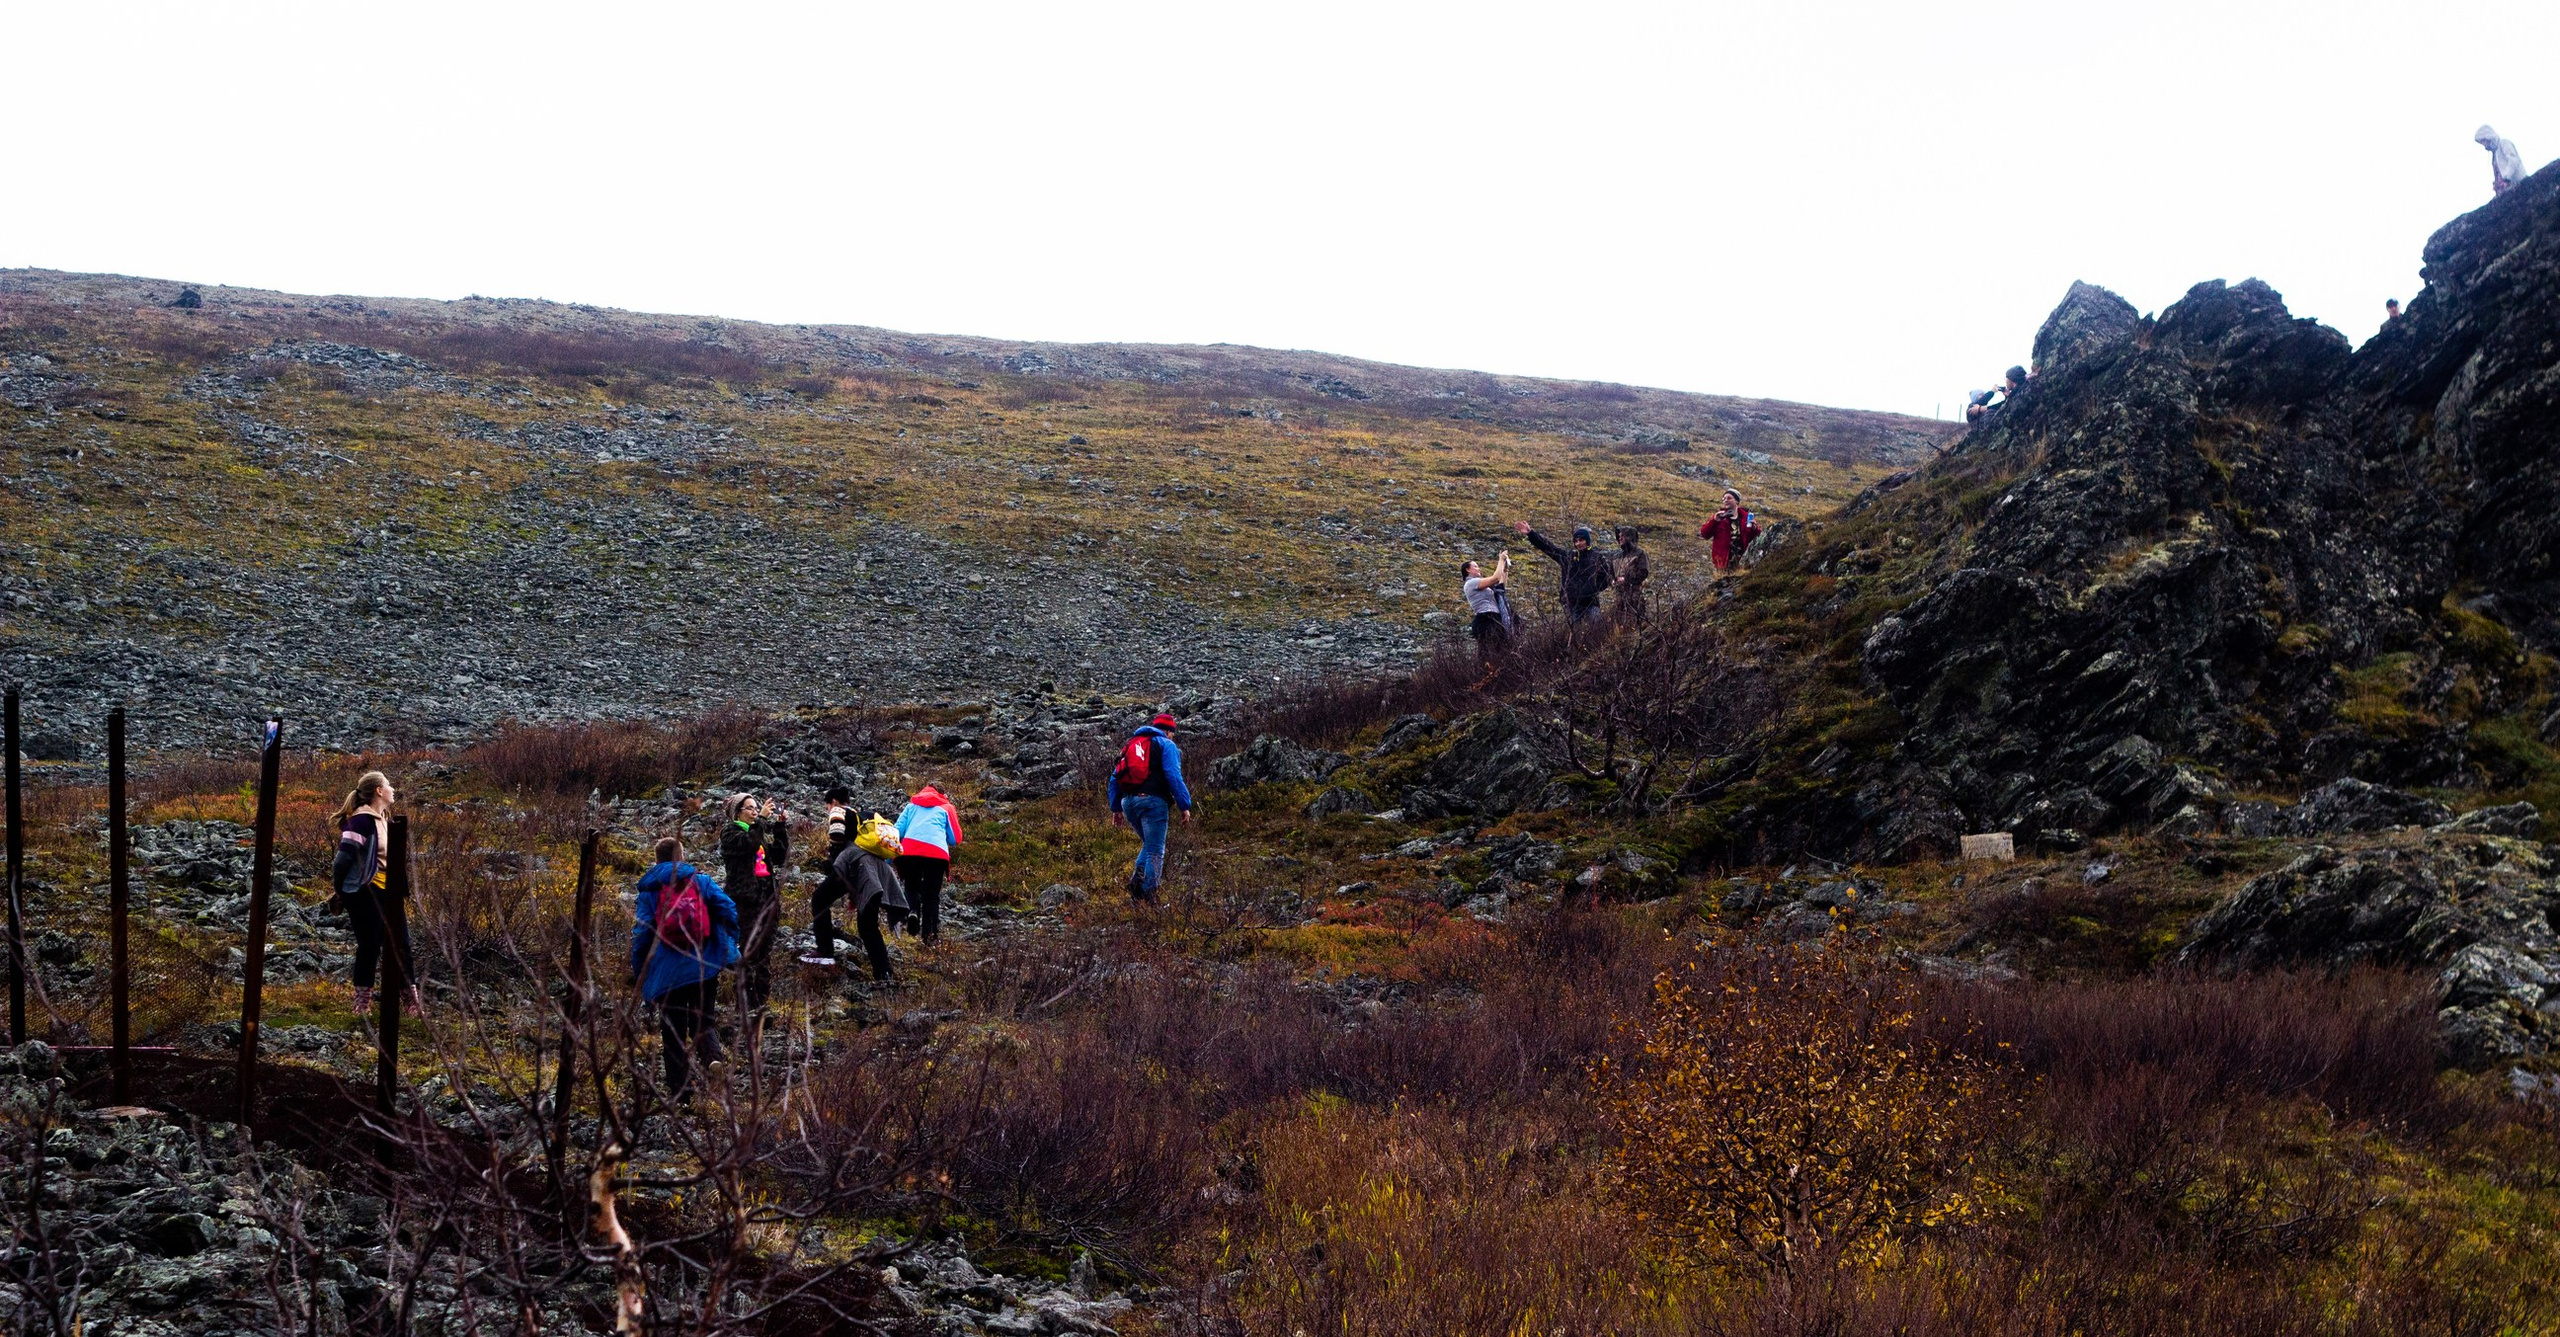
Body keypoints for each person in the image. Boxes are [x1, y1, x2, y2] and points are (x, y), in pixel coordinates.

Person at [631, 836, 739, 1102]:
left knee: (673, 1033)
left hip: (668, 974)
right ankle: (712, 1058)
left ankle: (682, 1095)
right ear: (681, 856)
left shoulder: (650, 891)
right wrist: (725, 942)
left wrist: (640, 972)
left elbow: (642, 935)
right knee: (703, 1021)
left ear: (656, 860)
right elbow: (728, 908)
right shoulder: (701, 881)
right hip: (705, 966)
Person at [331, 770, 417, 1017]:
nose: (392, 789)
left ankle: (411, 1003)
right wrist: (342, 890)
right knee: (369, 945)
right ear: (379, 790)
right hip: (366, 892)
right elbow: (342, 861)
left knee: (402, 945)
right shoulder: (361, 821)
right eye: (388, 784)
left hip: (390, 893)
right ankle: (362, 1004)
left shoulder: (386, 821)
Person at [1107, 713, 1195, 902]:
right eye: (1172, 733)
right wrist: (1184, 805)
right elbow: (1173, 775)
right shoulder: (1167, 745)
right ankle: (1148, 896)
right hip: (1153, 802)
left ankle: (1136, 886)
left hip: (1128, 803)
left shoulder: (1131, 745)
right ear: (1168, 731)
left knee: (1149, 844)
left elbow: (1114, 779)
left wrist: (1116, 808)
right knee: (1155, 850)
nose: (1172, 737)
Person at [716, 793, 789, 1012]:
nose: (755, 812)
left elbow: (779, 856)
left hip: (767, 900)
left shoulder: (756, 832)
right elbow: (749, 844)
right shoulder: (731, 833)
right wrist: (763, 820)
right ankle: (745, 1007)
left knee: (764, 953)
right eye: (749, 808)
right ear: (737, 812)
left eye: (756, 808)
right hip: (746, 903)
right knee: (748, 953)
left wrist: (780, 827)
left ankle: (761, 1005)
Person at [830, 815, 909, 984]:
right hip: (879, 880)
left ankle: (883, 973)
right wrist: (854, 898)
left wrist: (851, 898)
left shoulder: (851, 850)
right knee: (869, 927)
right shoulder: (865, 847)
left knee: (867, 928)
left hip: (872, 886)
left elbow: (851, 876)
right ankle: (884, 972)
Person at [892, 782, 963, 947]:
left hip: (909, 850)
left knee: (911, 887)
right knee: (931, 895)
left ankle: (912, 911)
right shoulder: (947, 808)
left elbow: (897, 830)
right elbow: (956, 839)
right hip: (936, 853)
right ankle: (929, 935)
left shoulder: (911, 806)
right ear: (942, 794)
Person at [1514, 521, 1612, 625]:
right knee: (1574, 631)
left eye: (1581, 540)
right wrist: (1530, 533)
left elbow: (1606, 577)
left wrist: (1593, 589)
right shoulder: (1567, 557)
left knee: (1597, 627)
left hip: (1590, 603)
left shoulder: (1596, 557)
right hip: (1571, 603)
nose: (1578, 543)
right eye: (1576, 541)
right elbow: (1548, 547)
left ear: (1587, 541)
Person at [806, 785, 858, 966]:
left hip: (845, 867)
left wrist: (833, 861)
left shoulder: (838, 811)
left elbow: (836, 835)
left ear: (834, 801)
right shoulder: (857, 814)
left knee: (819, 900)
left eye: (826, 806)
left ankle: (824, 950)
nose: (827, 810)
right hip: (860, 868)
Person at [1461, 552, 1513, 666]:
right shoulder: (1471, 583)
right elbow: (1495, 578)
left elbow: (1501, 586)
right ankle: (1483, 673)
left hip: (1494, 618)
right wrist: (1500, 559)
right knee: (1487, 652)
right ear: (1467, 570)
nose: (1478, 568)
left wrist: (1505, 569)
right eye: (1475, 566)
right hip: (1485, 619)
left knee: (1500, 650)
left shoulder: (1482, 585)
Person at [1699, 490, 1762, 575]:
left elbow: (1758, 537)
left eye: (1729, 498)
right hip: (1723, 561)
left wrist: (1755, 528)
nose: (1726, 500)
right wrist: (1714, 520)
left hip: (1743, 559)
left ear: (1737, 501)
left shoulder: (1746, 517)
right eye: (1724, 498)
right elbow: (1705, 534)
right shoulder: (1719, 517)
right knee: (1724, 582)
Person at [1612, 527, 1650, 624]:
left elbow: (1643, 573)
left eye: (1623, 536)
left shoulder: (1640, 554)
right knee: (1617, 626)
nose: (1620, 538)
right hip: (1618, 600)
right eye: (1619, 536)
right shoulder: (1617, 556)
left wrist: (1626, 579)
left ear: (1630, 537)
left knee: (1634, 625)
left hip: (1634, 599)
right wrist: (1612, 580)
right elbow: (1610, 573)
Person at [2478, 125, 2525, 196]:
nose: (2484, 144)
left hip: (2518, 185)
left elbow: (2513, 160)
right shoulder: (2495, 154)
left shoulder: (2503, 143)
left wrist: (2507, 178)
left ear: (2488, 137)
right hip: (2508, 190)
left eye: (2483, 141)